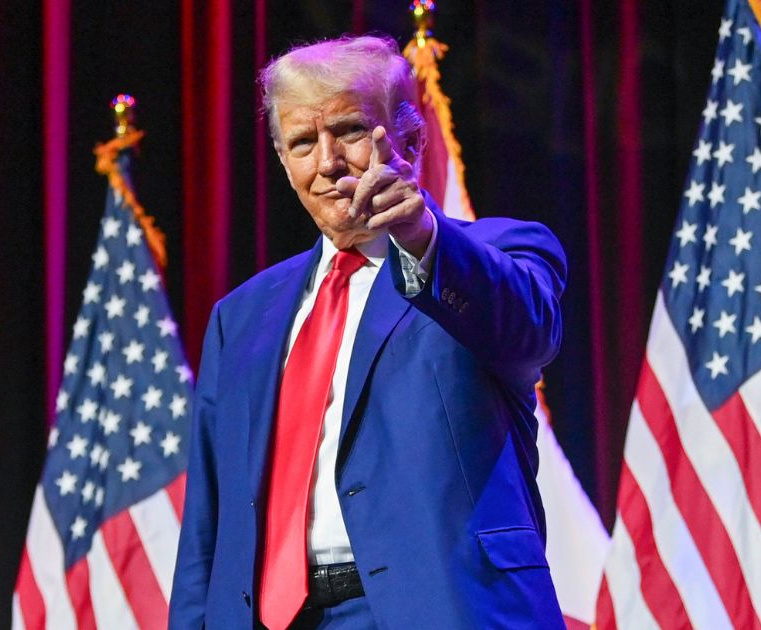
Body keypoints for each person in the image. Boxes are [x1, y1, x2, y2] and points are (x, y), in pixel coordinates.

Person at [169, 35, 566, 629]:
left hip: (440, 608)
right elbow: (208, 517)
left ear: (408, 138)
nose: (327, 162)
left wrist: (420, 237)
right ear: (283, 162)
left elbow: (527, 332)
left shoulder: (495, 252)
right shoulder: (241, 316)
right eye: (303, 143)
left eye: (350, 131)